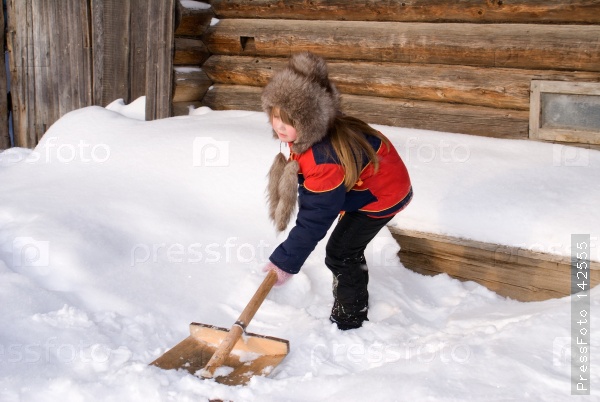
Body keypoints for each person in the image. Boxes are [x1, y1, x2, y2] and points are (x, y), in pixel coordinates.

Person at [261, 52, 412, 330]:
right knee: (342, 245)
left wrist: (285, 262)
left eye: (289, 120)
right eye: (275, 116)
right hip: (364, 185)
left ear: (309, 121)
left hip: (383, 194)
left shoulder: (323, 160)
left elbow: (316, 218)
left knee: (341, 252)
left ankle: (350, 318)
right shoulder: (311, 138)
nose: (280, 126)